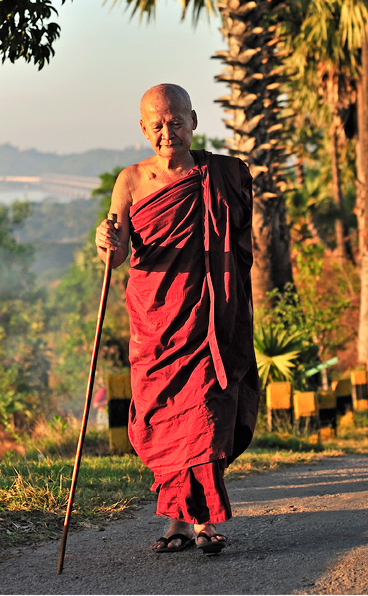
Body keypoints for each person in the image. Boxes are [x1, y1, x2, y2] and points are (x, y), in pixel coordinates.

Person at [95, 83, 260, 555]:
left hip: (211, 318)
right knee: (164, 419)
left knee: (207, 415)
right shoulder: (131, 181)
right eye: (158, 124)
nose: (168, 132)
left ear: (193, 121)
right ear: (144, 128)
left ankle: (202, 523)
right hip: (157, 321)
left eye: (177, 121)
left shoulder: (224, 174)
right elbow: (121, 249)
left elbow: (240, 241)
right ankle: (177, 525)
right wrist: (106, 241)